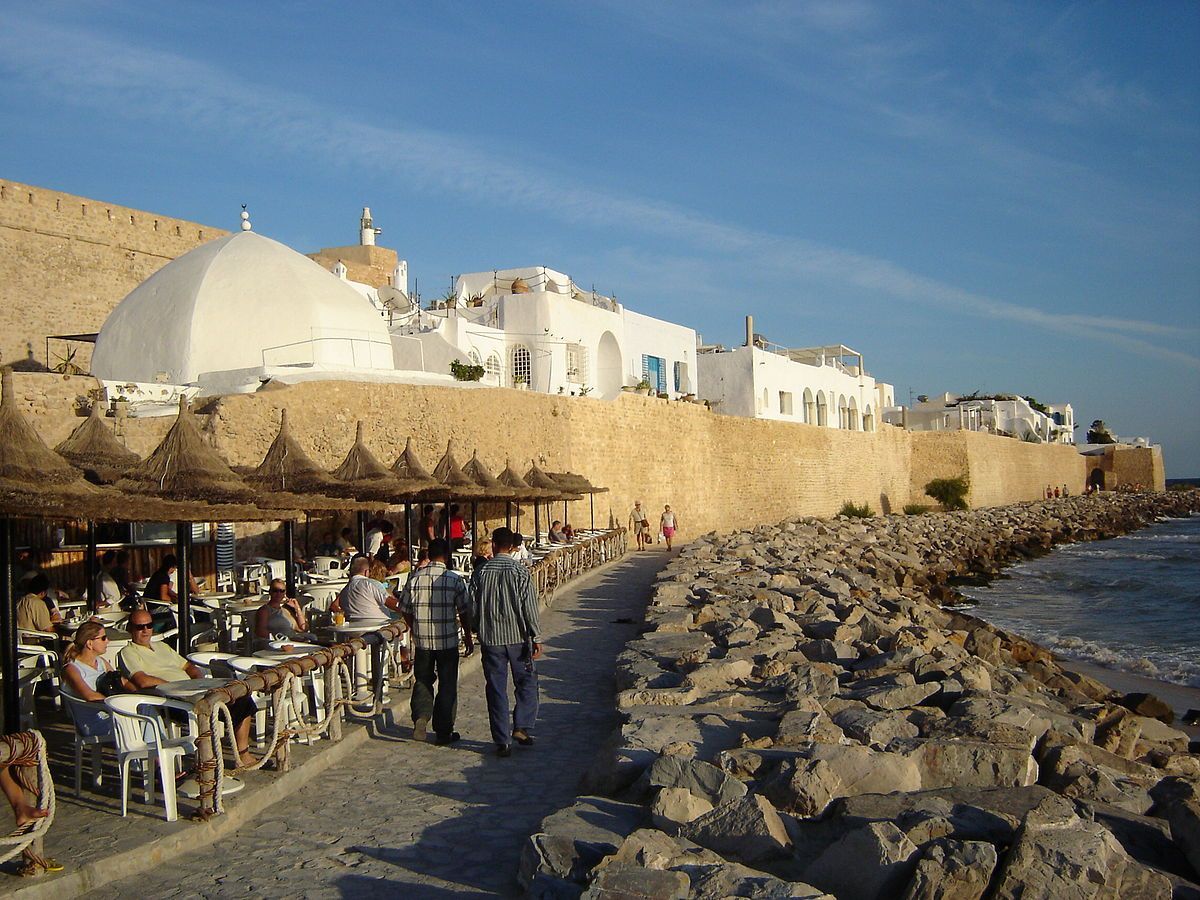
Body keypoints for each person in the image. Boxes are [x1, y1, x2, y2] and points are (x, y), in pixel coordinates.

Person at [119, 610, 256, 767]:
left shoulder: (161, 646)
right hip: (168, 700)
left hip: (193, 691)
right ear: (130, 628)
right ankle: (210, 763)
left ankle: (242, 754)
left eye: (149, 625)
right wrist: (174, 686)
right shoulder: (128, 652)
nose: (145, 630)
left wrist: (198, 681)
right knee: (216, 708)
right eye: (139, 627)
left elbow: (188, 666)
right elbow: (141, 681)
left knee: (242, 699)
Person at [471, 527, 541, 757]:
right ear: (512, 547)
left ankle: (501, 739)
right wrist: (536, 636)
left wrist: (475, 627)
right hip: (517, 638)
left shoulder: (481, 573)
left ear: (493, 544)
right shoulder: (520, 572)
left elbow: (473, 604)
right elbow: (529, 606)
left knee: (496, 688)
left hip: (491, 639)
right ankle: (521, 725)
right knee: (527, 682)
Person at [400, 539, 474, 745]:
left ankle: (421, 718)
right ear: (447, 556)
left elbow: (404, 608)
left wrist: (414, 628)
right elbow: (464, 610)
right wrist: (468, 635)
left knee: (423, 680)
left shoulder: (414, 579)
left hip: (423, 641)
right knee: (447, 684)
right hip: (447, 640)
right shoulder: (454, 580)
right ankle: (444, 730)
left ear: (428, 555)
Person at [61, 621, 133, 735]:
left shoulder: (101, 662)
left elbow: (121, 681)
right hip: (94, 722)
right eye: (103, 638)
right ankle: (145, 750)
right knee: (140, 721)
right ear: (89, 643)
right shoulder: (72, 669)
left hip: (111, 713)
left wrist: (137, 695)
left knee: (148, 710)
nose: (108, 641)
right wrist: (121, 704)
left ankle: (148, 749)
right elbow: (90, 695)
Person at [332, 556, 401, 620]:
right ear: (366, 572)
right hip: (378, 627)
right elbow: (392, 604)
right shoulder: (371, 584)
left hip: (353, 628)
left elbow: (334, 606)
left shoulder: (345, 590)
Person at [254, 578, 312, 648]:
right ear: (270, 592)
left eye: (281, 591)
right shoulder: (265, 610)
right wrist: (281, 638)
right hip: (280, 643)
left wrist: (297, 608)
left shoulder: (285, 610)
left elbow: (303, 628)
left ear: (284, 593)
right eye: (275, 590)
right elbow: (260, 632)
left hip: (293, 640)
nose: (278, 593)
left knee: (312, 637)